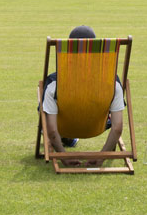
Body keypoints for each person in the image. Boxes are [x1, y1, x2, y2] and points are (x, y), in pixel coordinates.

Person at [40, 25, 124, 167]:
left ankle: (66, 139)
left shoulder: (54, 83)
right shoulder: (111, 82)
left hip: (63, 126)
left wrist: (63, 157)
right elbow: (117, 128)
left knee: (45, 105)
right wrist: (102, 157)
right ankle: (69, 139)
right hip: (97, 127)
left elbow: (52, 130)